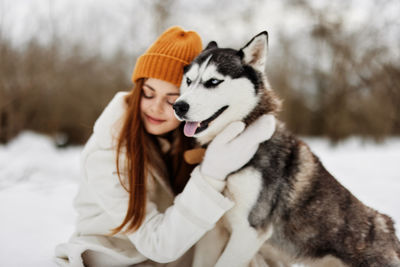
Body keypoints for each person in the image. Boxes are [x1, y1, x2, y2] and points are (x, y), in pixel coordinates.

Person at [55, 26, 272, 267]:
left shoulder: (187, 138)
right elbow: (158, 245)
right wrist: (211, 175)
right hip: (113, 259)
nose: (156, 108)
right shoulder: (108, 153)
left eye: (172, 100)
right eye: (148, 94)